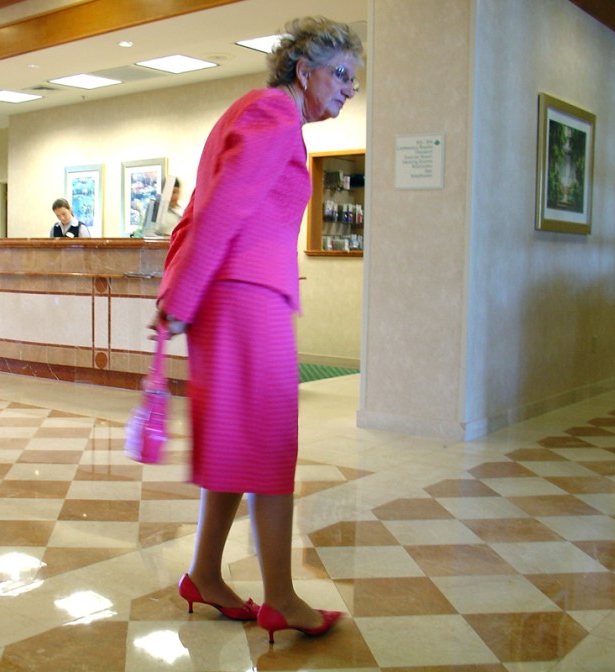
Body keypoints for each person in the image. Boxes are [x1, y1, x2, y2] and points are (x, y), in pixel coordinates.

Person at [153, 17, 363, 643]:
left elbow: (207, 207)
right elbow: (219, 212)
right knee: (270, 441)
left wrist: (184, 296)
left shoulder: (259, 112)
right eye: (342, 75)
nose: (350, 88)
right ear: (305, 70)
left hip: (238, 297)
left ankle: (203, 575)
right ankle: (282, 598)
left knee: (240, 443)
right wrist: (181, 299)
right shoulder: (273, 117)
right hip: (243, 300)